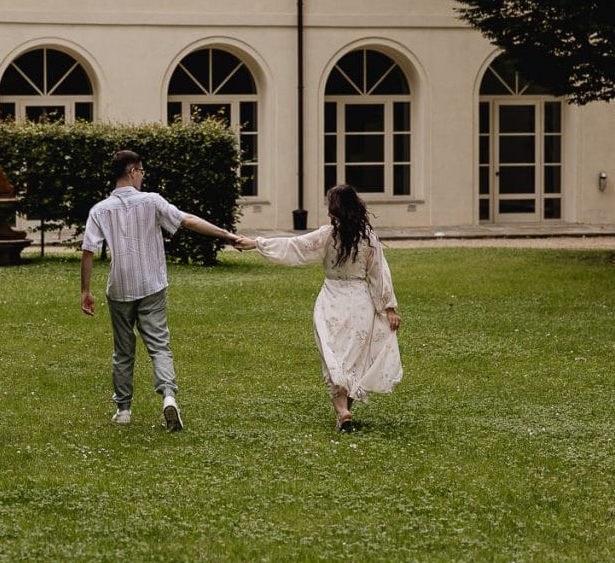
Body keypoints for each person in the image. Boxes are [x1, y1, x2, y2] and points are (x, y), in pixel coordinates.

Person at [80, 150, 240, 431]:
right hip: (151, 283)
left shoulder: (100, 210)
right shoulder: (151, 201)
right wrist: (226, 235)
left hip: (119, 288)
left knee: (123, 351)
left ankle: (124, 409)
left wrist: (85, 291)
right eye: (141, 171)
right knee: (159, 346)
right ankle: (168, 395)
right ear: (132, 171)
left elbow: (88, 252)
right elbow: (186, 220)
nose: (142, 176)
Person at [234, 185, 402, 432]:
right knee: (352, 360)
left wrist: (256, 244)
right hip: (359, 303)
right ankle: (344, 412)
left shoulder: (327, 235)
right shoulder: (368, 238)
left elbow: (294, 247)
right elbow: (379, 275)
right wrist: (388, 308)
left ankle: (342, 411)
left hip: (332, 301)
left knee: (332, 357)